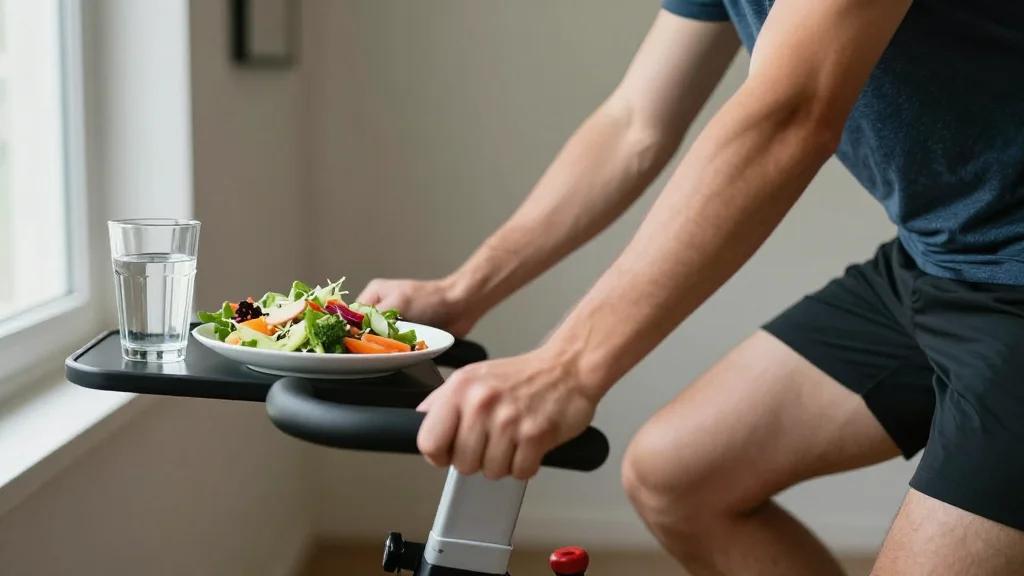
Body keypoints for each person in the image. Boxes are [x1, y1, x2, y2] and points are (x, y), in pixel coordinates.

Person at [357, 0, 1024, 573]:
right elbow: (634, 123)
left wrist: (566, 370)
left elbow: (792, 111)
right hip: (942, 258)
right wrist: (462, 291)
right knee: (681, 477)